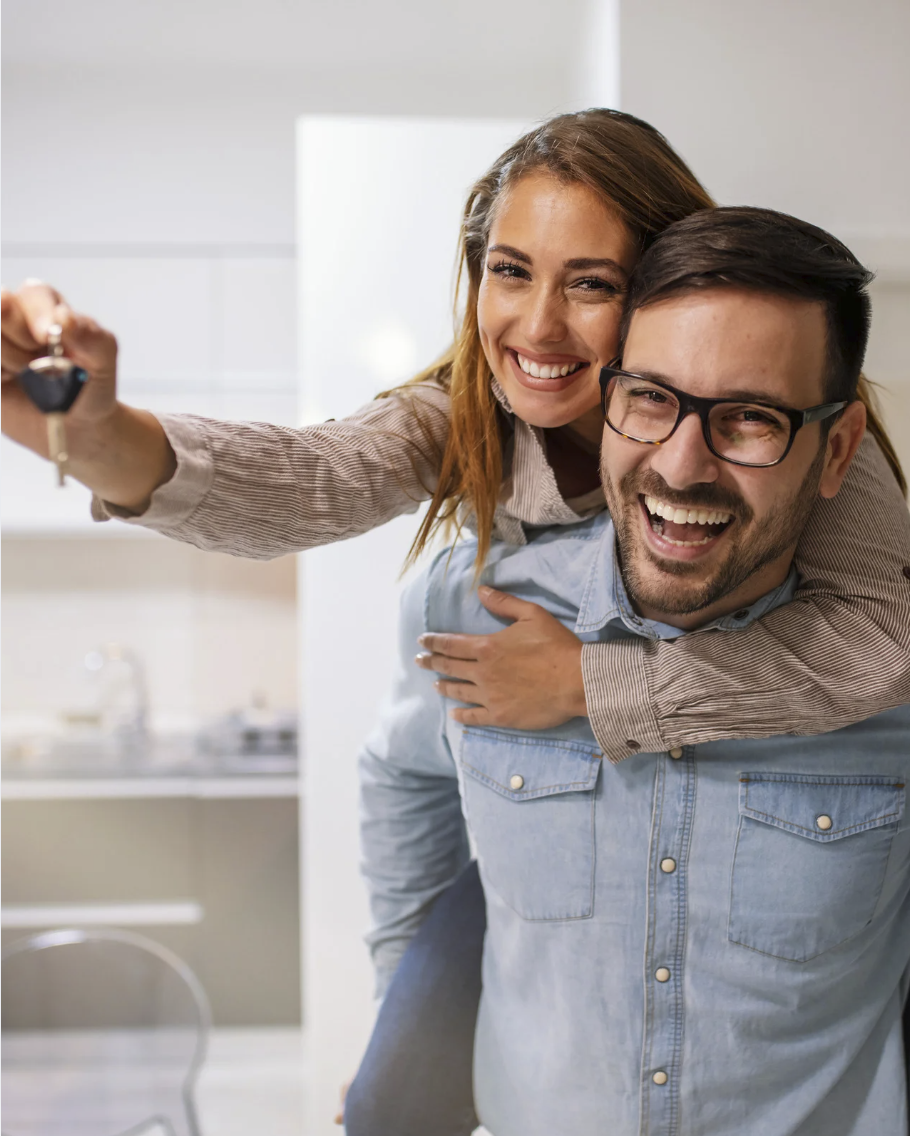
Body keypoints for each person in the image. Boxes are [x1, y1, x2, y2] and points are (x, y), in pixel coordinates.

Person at [2, 111, 908, 772]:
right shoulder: (469, 416)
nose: (537, 328)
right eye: (510, 273)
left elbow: (883, 637)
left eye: (592, 284)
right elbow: (309, 482)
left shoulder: (781, 430)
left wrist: (595, 686)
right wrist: (90, 435)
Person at [353, 207, 910, 1136]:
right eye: (651, 398)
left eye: (750, 419)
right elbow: (403, 774)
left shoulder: (890, 674)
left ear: (839, 451)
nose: (682, 466)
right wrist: (406, 1030)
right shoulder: (467, 605)